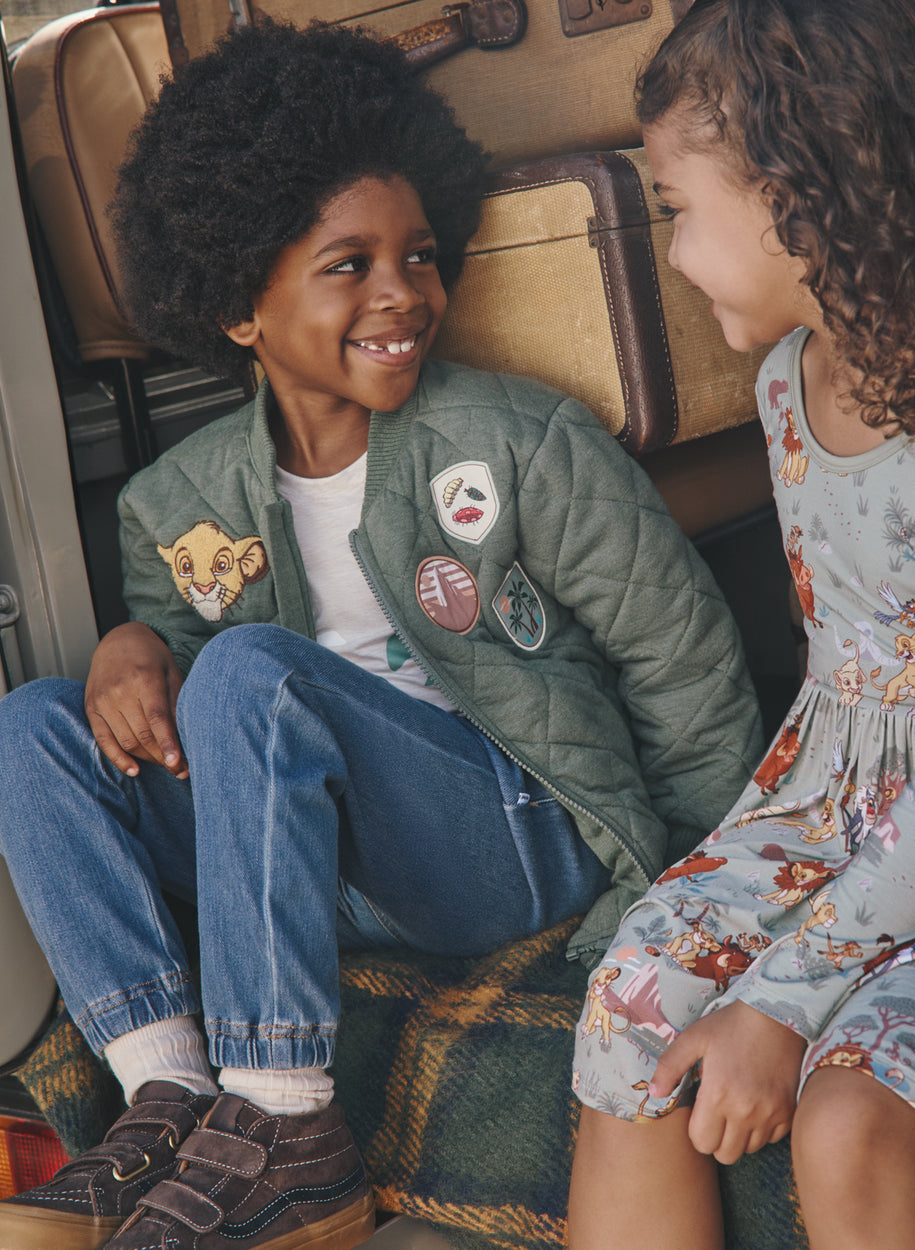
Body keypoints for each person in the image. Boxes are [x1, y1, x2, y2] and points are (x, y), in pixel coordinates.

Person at [0, 17, 763, 1250]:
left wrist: (690, 908)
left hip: (512, 837)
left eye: (419, 254)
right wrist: (125, 649)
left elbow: (685, 670)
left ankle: (290, 1127)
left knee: (248, 672)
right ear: (238, 307)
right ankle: (170, 1093)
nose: (403, 291)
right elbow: (179, 710)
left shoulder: (519, 442)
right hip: (322, 867)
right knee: (28, 722)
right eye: (347, 265)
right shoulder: (174, 505)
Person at [567, 2, 915, 1248]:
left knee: (845, 1115)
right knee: (630, 1012)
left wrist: (780, 1003)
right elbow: (840, 675)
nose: (677, 252)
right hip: (823, 807)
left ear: (796, 199)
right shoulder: (780, 383)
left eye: (677, 210)